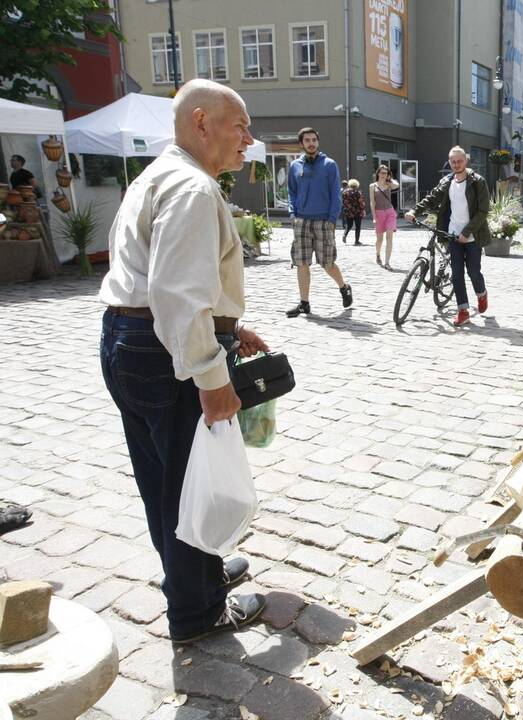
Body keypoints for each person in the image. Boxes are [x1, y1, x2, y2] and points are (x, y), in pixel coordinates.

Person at [97, 79, 268, 643]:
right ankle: (198, 611)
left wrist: (229, 326)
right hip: (162, 350)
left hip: (131, 340)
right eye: (240, 125)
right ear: (201, 122)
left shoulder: (159, 173)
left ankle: (193, 581)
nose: (248, 138)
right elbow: (175, 295)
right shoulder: (193, 188)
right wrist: (212, 377)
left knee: (163, 479)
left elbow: (160, 280)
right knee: (187, 482)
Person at [405, 146, 491, 327]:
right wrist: (414, 210)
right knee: (457, 275)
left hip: (472, 235)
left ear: (466, 161)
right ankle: (463, 311)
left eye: (459, 161)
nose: (456, 164)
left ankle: (481, 294)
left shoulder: (477, 182)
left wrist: (466, 232)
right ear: (449, 162)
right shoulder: (447, 181)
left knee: (474, 272)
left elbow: (483, 211)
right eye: (453, 161)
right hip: (452, 234)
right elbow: (432, 198)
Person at [285, 127, 353, 318]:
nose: (311, 143)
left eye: (314, 139)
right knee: (301, 263)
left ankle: (344, 287)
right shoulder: (295, 166)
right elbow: (292, 191)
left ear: (318, 142)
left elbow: (335, 194)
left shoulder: (329, 165)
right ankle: (304, 303)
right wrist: (293, 213)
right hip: (301, 221)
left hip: (323, 221)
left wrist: (332, 219)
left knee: (328, 263)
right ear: (301, 144)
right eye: (307, 140)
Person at [370, 165, 400, 268]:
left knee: (389, 237)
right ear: (378, 173)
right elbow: (372, 202)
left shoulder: (389, 184)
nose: (383, 175)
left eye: (385, 173)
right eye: (382, 173)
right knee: (379, 239)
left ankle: (387, 262)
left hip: (390, 212)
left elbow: (397, 185)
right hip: (379, 214)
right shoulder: (373, 186)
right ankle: (378, 254)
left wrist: (390, 180)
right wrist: (374, 217)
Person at [341, 179, 366, 246]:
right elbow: (361, 202)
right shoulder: (358, 192)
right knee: (358, 226)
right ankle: (356, 241)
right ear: (357, 185)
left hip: (348, 211)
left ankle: (344, 234)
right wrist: (363, 209)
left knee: (349, 225)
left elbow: (344, 202)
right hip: (357, 211)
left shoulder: (345, 192)